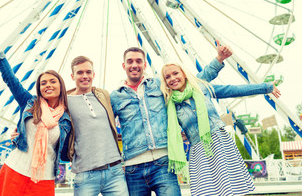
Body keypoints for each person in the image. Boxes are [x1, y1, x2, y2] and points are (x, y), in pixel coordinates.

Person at [110, 41, 232, 195]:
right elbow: (102, 124)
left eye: (138, 61)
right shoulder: (115, 97)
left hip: (163, 163)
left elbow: (192, 82)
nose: (134, 65)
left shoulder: (159, 85)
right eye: (130, 61)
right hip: (133, 168)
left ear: (145, 64)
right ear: (123, 66)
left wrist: (219, 59)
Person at [160, 62, 281, 196]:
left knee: (231, 188)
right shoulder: (170, 104)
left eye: (175, 73)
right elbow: (165, 127)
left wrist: (266, 87)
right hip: (199, 150)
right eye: (168, 77)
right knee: (205, 191)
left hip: (219, 142)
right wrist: (181, 133)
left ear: (184, 74)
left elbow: (233, 90)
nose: (172, 78)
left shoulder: (201, 88)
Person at [0, 30, 72, 196]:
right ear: (39, 88)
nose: (48, 85)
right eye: (43, 83)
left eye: (53, 81)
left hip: (44, 177)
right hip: (16, 168)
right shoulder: (30, 103)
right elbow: (11, 79)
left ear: (61, 86)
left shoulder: (67, 117)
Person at [63, 55, 128, 196]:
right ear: (72, 76)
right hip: (85, 174)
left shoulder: (103, 95)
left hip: (114, 171)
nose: (85, 76)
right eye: (80, 72)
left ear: (93, 74)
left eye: (88, 72)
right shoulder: (65, 103)